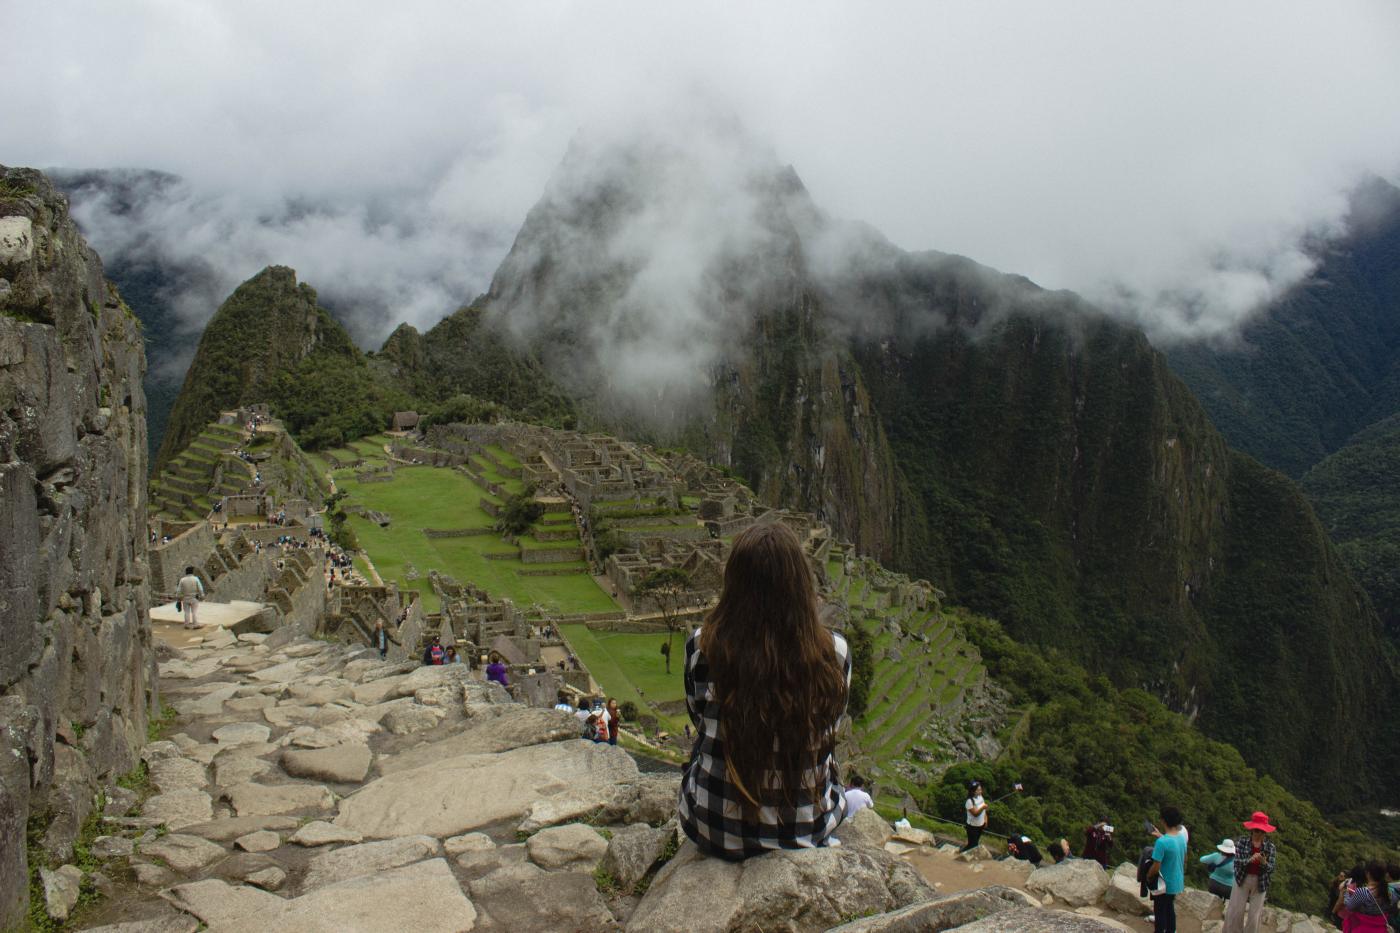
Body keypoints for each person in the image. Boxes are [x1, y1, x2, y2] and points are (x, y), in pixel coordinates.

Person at [677, 522, 851, 860]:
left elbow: (699, 720)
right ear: (801, 585)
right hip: (806, 828)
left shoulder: (702, 646)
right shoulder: (836, 652)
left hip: (714, 827)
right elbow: (832, 725)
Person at [1225, 811, 1277, 933]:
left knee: (1255, 916)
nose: (1258, 834)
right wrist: (1249, 860)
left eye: (1262, 831)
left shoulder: (1270, 847)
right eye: (1256, 830)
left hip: (1261, 881)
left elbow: (1271, 869)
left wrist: (1264, 863)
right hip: (1242, 878)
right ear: (1252, 830)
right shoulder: (1242, 842)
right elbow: (1236, 862)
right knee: (1236, 911)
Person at [1146, 806, 1187, 933]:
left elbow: (1156, 866)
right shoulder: (1181, 838)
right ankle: (1171, 930)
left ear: (1163, 821)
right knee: (1169, 908)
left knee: (1160, 911)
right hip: (1176, 880)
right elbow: (1180, 855)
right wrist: (1160, 835)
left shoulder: (1162, 842)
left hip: (1163, 883)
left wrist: (1148, 875)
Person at [1335, 861, 1397, 932]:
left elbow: (1349, 906)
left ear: (1368, 874)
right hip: (1380, 930)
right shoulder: (1390, 892)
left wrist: (1346, 893)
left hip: (1362, 928)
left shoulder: (1363, 892)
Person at [964, 781, 988, 851]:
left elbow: (984, 810)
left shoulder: (980, 797)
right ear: (973, 791)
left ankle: (962, 854)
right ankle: (963, 855)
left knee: (973, 843)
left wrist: (986, 820)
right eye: (978, 790)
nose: (980, 791)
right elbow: (975, 814)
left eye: (980, 789)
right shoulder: (969, 801)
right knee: (973, 845)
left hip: (980, 825)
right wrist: (983, 807)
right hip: (972, 827)